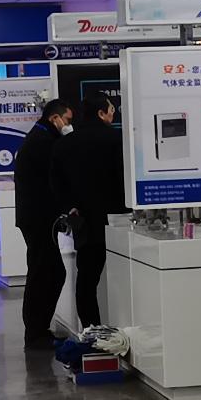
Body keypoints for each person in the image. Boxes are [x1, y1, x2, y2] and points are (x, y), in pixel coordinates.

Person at [12, 97, 75, 347]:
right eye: (67, 120)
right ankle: (36, 332)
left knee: (48, 272)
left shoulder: (40, 137)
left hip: (36, 217)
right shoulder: (43, 143)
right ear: (55, 118)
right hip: (38, 218)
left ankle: (38, 330)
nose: (69, 125)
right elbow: (54, 180)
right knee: (46, 272)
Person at [68, 88, 126, 330]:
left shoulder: (67, 143)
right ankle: (125, 329)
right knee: (125, 277)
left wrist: (71, 207)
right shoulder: (117, 140)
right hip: (118, 220)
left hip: (85, 221)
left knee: (87, 280)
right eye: (111, 109)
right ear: (101, 113)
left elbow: (57, 181)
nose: (114, 113)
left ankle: (91, 330)